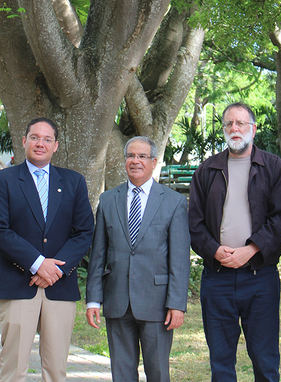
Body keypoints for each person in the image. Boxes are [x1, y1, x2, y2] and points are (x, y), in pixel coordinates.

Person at [0, 117, 94, 382]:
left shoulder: (73, 182)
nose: (40, 143)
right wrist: (37, 263)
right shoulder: (3, 181)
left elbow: (84, 232)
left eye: (47, 139)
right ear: (24, 141)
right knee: (14, 368)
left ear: (56, 145)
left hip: (59, 287)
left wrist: (55, 270)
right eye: (34, 137)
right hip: (16, 285)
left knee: (56, 370)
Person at [189, 102, 281, 382]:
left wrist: (251, 249)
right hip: (217, 277)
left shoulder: (273, 167)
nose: (235, 129)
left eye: (241, 123)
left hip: (259, 277)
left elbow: (280, 219)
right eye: (229, 124)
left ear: (253, 129)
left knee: (264, 358)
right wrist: (215, 250)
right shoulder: (207, 170)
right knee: (221, 362)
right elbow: (194, 223)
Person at [86, 136, 191, 382]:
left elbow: (179, 258)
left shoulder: (173, 202)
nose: (135, 161)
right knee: (121, 374)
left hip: (157, 304)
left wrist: (177, 303)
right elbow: (98, 254)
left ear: (153, 161)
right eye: (130, 156)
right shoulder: (108, 200)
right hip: (117, 300)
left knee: (157, 372)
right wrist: (93, 299)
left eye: (142, 156)